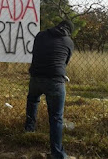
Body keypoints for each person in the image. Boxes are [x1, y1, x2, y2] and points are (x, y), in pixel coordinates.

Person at [25, 20, 74, 159]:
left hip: (36, 76)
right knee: (56, 117)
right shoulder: (68, 41)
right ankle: (57, 153)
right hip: (55, 81)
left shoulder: (40, 35)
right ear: (69, 31)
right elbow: (65, 62)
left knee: (33, 99)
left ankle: (29, 130)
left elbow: (35, 53)